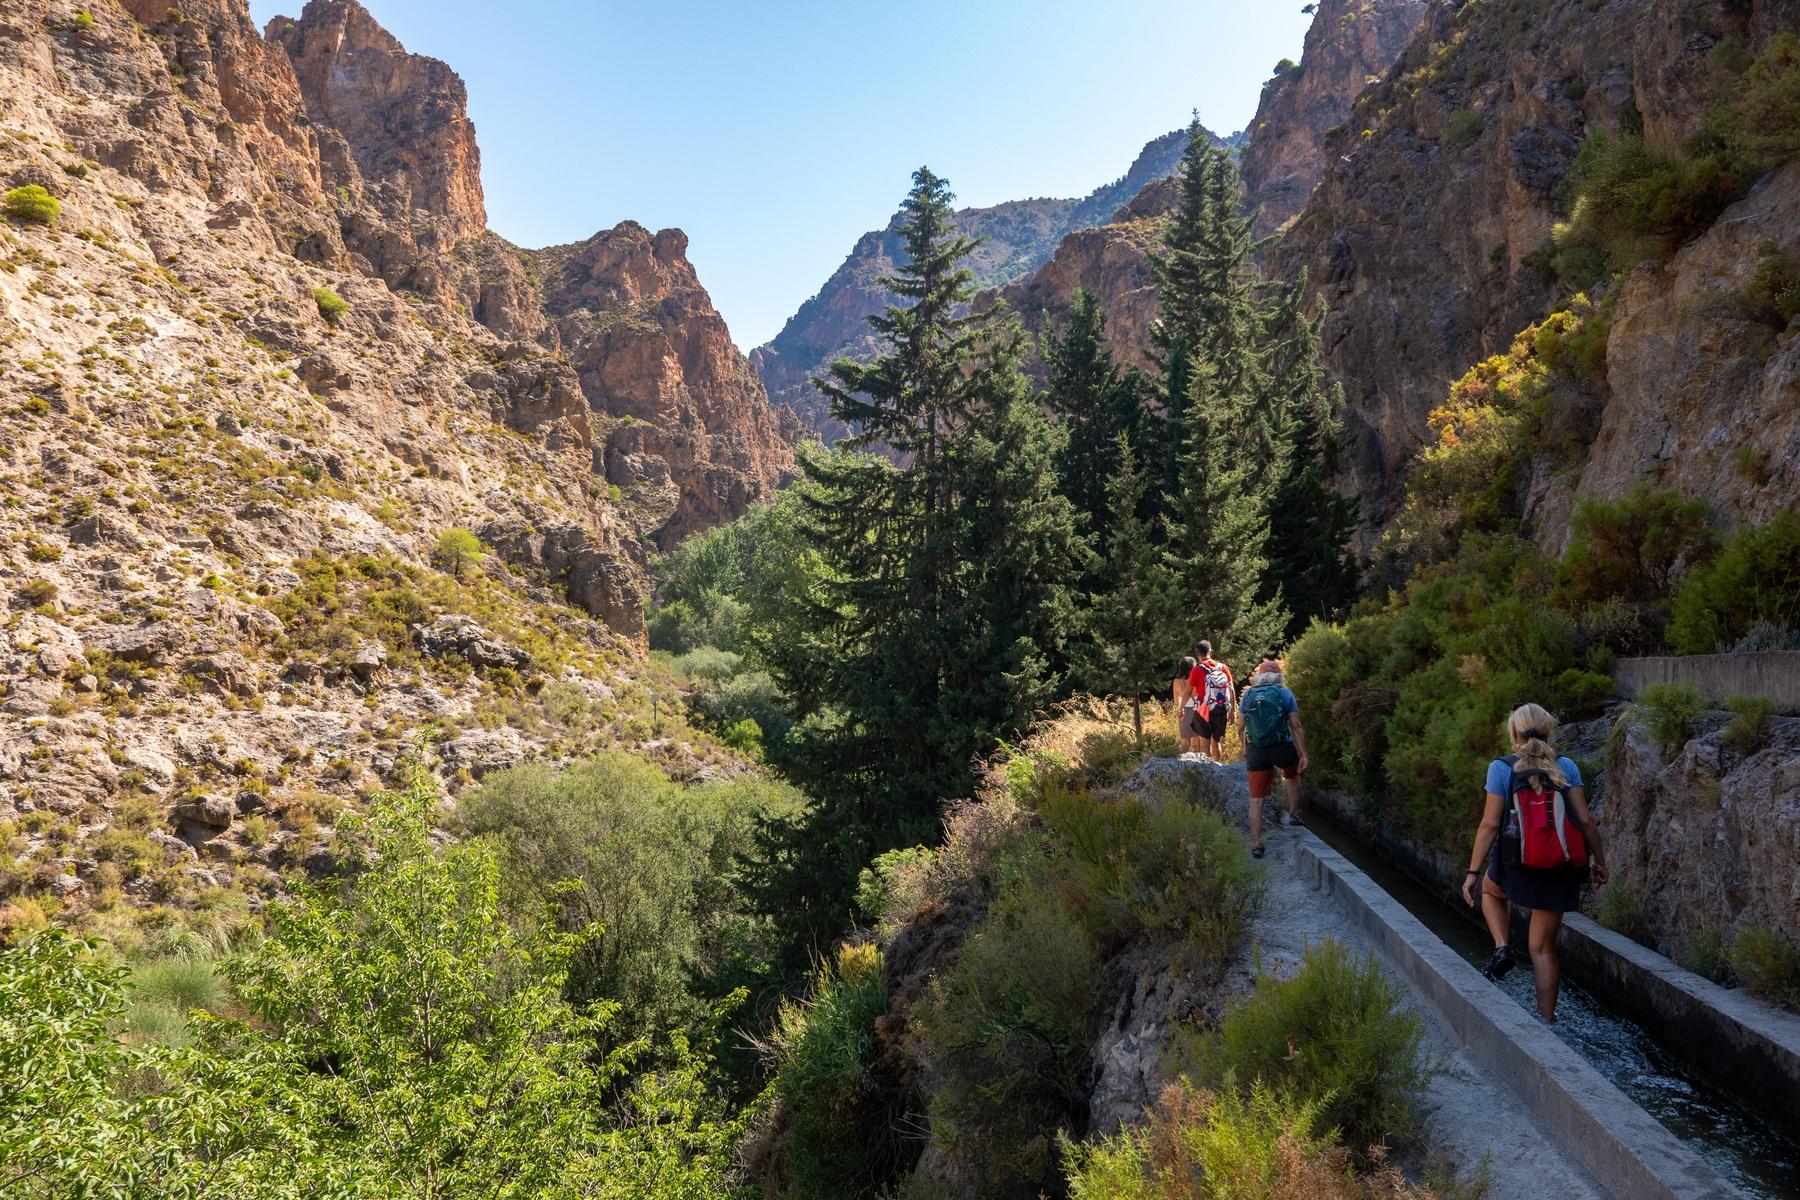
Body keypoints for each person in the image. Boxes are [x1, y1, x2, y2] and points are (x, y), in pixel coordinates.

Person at [1461, 703, 1609, 1023]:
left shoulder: (1501, 767)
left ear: (1513, 733)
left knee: (1490, 892)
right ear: (1549, 730)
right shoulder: (1566, 766)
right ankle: (1547, 1021)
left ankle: (1502, 948)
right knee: (1542, 949)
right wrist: (1599, 860)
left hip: (1515, 863)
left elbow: (1489, 825)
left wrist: (1472, 871)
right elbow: (1585, 820)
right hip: (1559, 867)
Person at [1240, 660, 1308, 859]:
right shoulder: (1285, 694)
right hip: (1282, 748)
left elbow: (1240, 727)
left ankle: (1257, 844)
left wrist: (1245, 750)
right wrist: (1303, 754)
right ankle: (1294, 814)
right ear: (1279, 676)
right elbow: (1296, 725)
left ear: (1259, 676)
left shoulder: (1248, 695)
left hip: (1256, 751)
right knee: (1292, 774)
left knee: (1256, 799)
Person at [1186, 641, 1235, 762]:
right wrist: (1232, 711)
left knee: (1205, 742)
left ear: (1197, 653)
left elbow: (1188, 692)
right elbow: (1232, 690)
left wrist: (1181, 708)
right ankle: (1218, 766)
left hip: (1204, 709)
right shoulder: (1223, 667)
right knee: (1216, 741)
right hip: (1221, 707)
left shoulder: (1197, 669)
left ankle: (1209, 772)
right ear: (1210, 652)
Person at [1173, 655, 1200, 753]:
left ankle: (1181, 765)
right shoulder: (1196, 680)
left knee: (1185, 745)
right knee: (1198, 746)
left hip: (1182, 712)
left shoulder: (1176, 682)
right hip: (1196, 711)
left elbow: (1176, 702)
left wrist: (1179, 712)